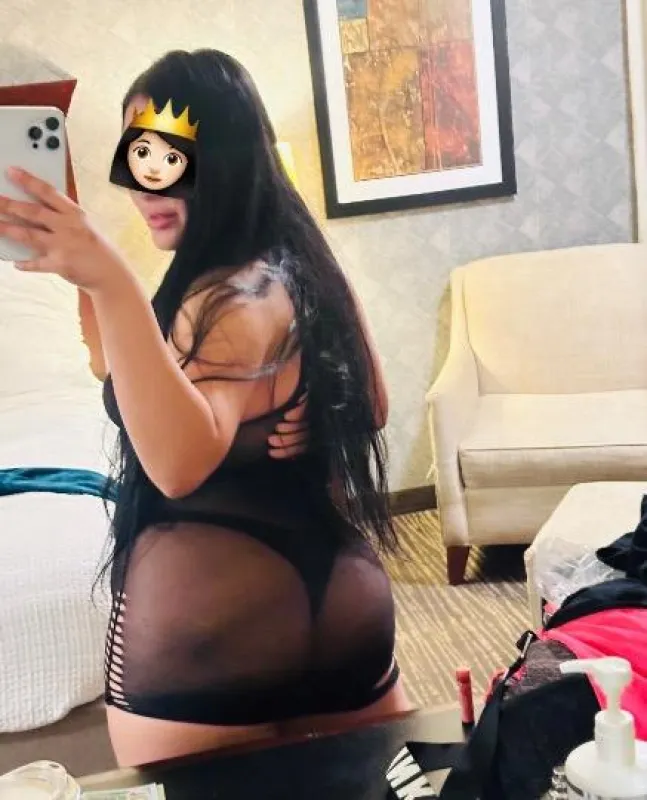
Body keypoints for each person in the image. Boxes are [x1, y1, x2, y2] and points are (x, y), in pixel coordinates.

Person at [0, 49, 411, 767]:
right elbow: (372, 404)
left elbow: (179, 466)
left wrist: (111, 281)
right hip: (344, 605)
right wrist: (314, 405)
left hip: (210, 628)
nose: (144, 183)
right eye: (136, 155)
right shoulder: (300, 262)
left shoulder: (221, 297)